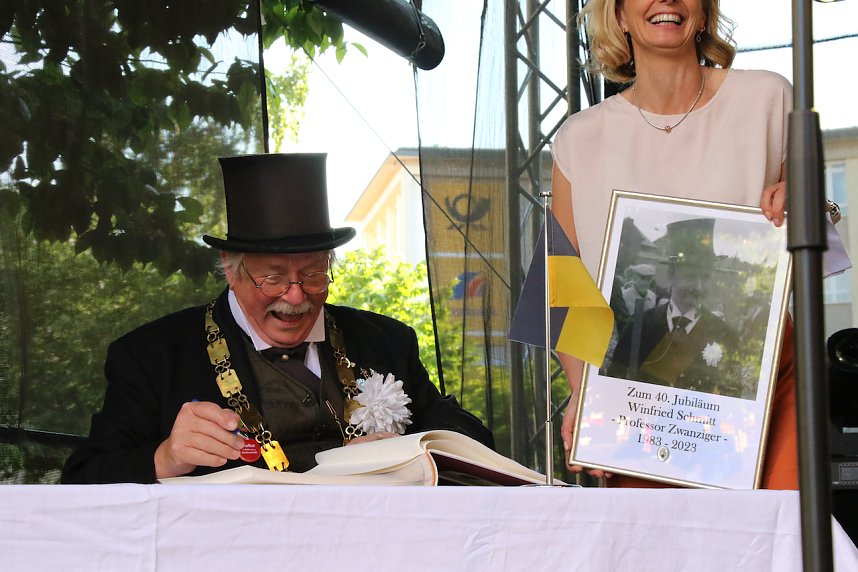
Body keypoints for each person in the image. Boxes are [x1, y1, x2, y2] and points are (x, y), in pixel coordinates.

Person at [62, 153, 493, 484]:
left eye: (313, 274)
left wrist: (412, 450)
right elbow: (82, 478)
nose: (295, 295)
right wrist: (166, 457)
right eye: (272, 277)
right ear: (231, 270)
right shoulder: (151, 356)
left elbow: (469, 434)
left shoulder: (385, 340)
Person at [550, 0, 800, 488]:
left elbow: (818, 234)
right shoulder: (579, 140)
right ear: (618, 15)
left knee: (782, 547)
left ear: (703, 12)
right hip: (640, 398)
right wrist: (586, 393)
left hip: (763, 389)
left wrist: (805, 201)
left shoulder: (768, 97)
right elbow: (563, 286)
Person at [607, 219, 748, 398]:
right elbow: (612, 387)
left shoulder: (727, 337)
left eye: (705, 277)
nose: (698, 287)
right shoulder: (638, 326)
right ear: (671, 276)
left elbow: (734, 396)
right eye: (690, 277)